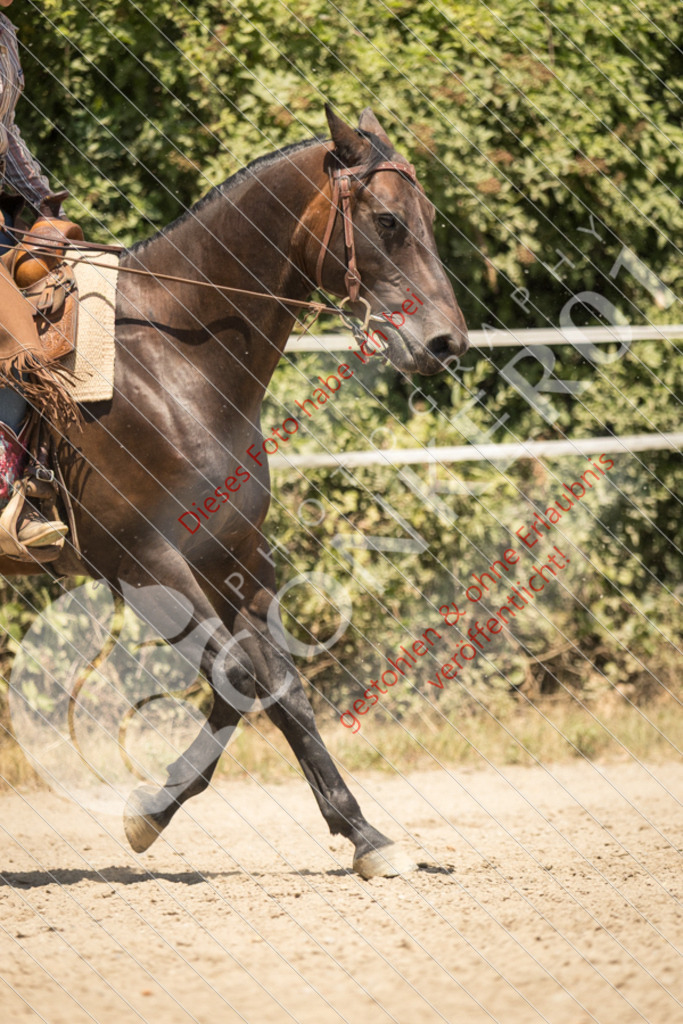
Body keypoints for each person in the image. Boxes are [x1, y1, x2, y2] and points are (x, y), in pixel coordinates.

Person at [0, 0, 72, 549]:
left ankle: (48, 470)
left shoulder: (5, 34)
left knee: (66, 283)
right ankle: (4, 488)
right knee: (14, 329)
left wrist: (45, 201)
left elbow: (6, 134)